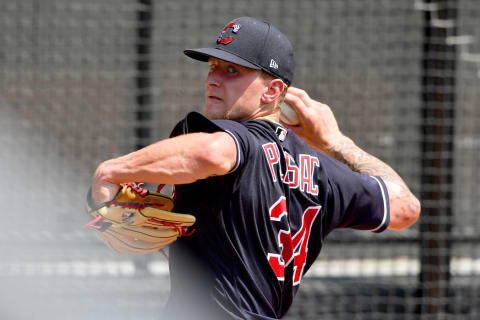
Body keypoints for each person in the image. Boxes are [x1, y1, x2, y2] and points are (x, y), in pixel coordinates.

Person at [91, 17, 421, 319]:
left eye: (232, 71)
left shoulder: (233, 138)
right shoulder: (324, 172)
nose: (213, 78)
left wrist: (113, 171)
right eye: (213, 65)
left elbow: (212, 152)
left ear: (273, 90)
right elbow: (405, 208)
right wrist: (336, 143)